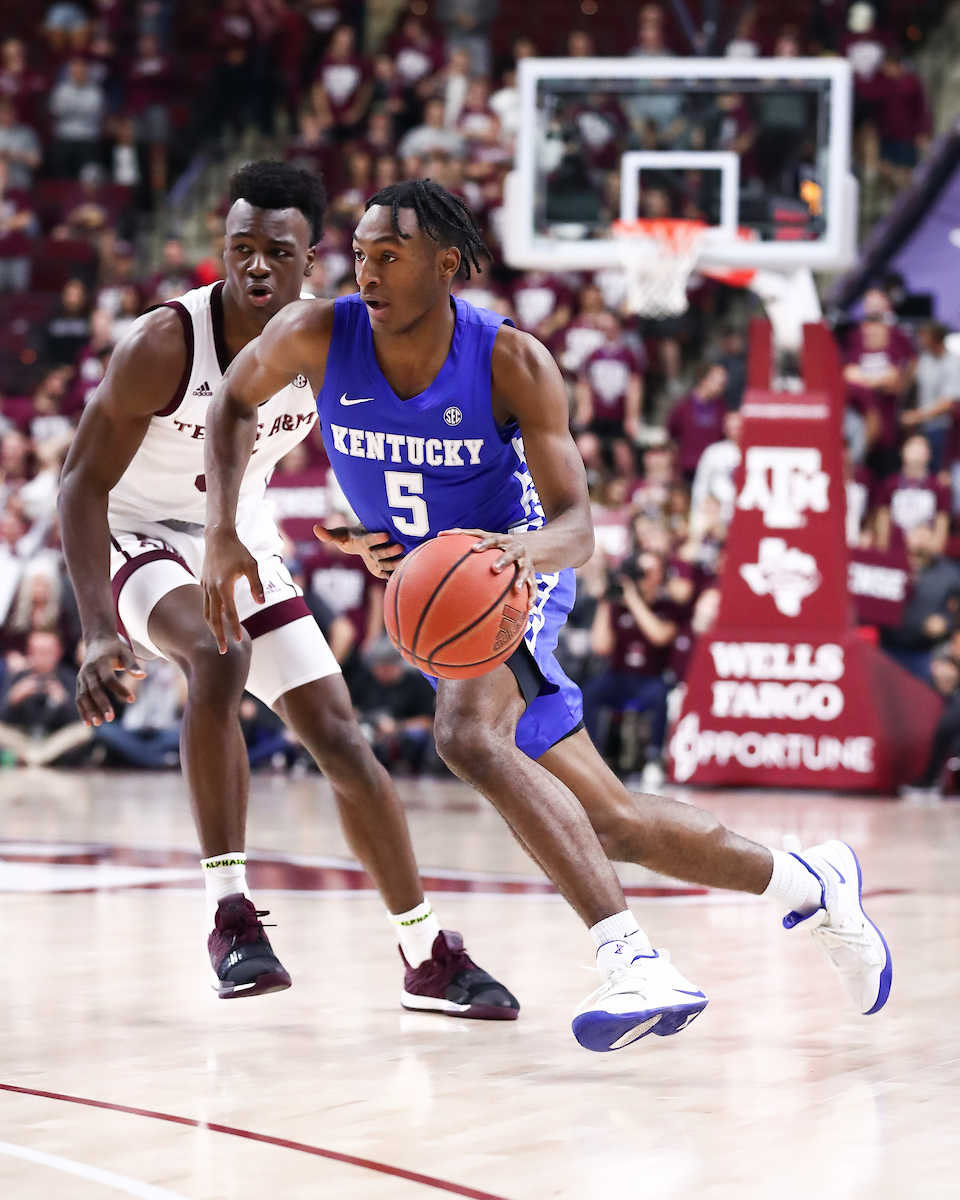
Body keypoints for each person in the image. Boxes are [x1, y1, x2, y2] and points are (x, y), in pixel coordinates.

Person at [201, 179, 892, 1053]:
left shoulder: (509, 359)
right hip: (434, 583)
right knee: (611, 822)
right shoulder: (313, 332)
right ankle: (810, 883)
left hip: (509, 575)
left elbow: (579, 528)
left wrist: (514, 554)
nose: (366, 272)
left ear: (445, 265)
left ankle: (630, 959)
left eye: (390, 255)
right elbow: (230, 404)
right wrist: (225, 530)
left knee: (465, 734)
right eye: (361, 255)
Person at [59, 161, 516, 1017]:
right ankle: (229, 916)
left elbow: (382, 451)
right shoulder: (163, 344)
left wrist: (373, 533)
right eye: (241, 248)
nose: (257, 265)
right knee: (213, 650)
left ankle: (426, 956)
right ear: (221, 252)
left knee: (343, 739)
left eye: (278, 249)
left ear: (313, 262)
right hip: (135, 529)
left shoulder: (334, 344)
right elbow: (80, 482)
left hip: (242, 533)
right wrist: (94, 629)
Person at [0, 630, 91, 766]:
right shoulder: (19, 677)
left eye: (47, 652)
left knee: (84, 731)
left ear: (58, 652)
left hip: (54, 740)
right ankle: (37, 758)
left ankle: (36, 758)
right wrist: (14, 698)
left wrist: (63, 701)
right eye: (38, 651)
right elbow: (3, 717)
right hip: (23, 738)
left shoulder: (68, 678)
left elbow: (80, 720)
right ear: (29, 653)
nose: (42, 657)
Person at [902, 321, 960, 473]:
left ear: (936, 338)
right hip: (923, 427)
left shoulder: (953, 362)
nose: (920, 340)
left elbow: (949, 402)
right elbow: (911, 387)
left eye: (924, 337)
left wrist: (917, 416)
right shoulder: (923, 359)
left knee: (940, 474)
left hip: (945, 429)